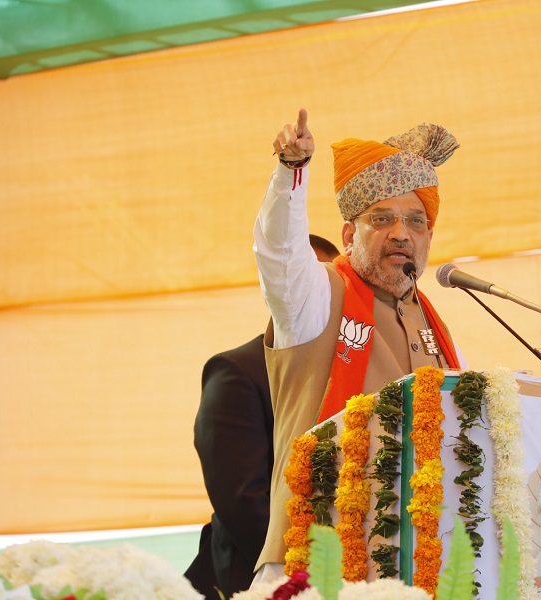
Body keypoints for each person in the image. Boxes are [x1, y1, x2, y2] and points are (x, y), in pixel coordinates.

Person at [251, 109, 462, 580]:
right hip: (315, 558)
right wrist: (291, 172)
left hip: (420, 562)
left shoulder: (437, 327)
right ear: (349, 234)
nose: (401, 234)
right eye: (381, 219)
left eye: (416, 222)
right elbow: (279, 252)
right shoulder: (316, 296)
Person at [185, 235, 340, 599]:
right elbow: (244, 500)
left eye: (332, 284)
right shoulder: (238, 371)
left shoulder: (351, 367)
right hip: (256, 579)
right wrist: (314, 575)